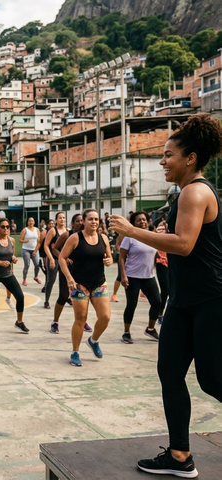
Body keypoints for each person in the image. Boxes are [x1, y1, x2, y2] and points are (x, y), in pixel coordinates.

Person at [110, 114, 222, 478]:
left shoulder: (196, 191)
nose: (162, 161)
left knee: (212, 379)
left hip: (210, 300)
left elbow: (185, 245)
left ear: (190, 158)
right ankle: (179, 455)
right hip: (184, 300)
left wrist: (132, 231)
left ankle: (179, 454)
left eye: (168, 155)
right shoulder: (186, 193)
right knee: (170, 372)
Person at [59, 209, 113, 367]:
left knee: (105, 317)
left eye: (96, 219)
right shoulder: (75, 238)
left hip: (98, 283)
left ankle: (93, 340)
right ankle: (75, 352)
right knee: (80, 319)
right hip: (79, 284)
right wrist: (69, 278)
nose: (94, 222)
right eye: (90, 219)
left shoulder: (103, 238)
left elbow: (108, 257)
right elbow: (62, 257)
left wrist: (109, 261)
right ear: (83, 221)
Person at [117, 211, 161, 344]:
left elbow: (155, 253)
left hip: (148, 276)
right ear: (134, 223)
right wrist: (123, 276)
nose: (142, 222)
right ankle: (126, 332)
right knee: (131, 305)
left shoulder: (153, 236)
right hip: (132, 277)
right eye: (138, 220)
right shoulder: (130, 237)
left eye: (144, 220)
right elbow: (121, 257)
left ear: (148, 221)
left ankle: (151, 329)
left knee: (157, 302)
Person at [50, 213, 88, 334]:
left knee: (83, 297)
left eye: (82, 220)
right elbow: (55, 248)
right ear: (72, 223)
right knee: (63, 296)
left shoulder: (88, 236)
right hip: (67, 270)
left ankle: (83, 321)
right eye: (77, 221)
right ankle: (55, 322)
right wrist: (64, 258)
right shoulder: (67, 235)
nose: (80, 223)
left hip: (82, 271)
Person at [43, 213, 65, 310]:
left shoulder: (68, 231)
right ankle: (46, 300)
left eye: (63, 218)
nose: (62, 219)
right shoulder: (53, 231)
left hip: (63, 259)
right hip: (54, 259)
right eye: (60, 218)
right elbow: (46, 245)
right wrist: (51, 259)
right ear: (56, 220)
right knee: (51, 280)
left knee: (65, 280)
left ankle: (65, 297)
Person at [154, 221, 170, 324]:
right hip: (162, 262)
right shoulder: (161, 232)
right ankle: (160, 314)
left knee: (170, 290)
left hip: (172, 263)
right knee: (165, 289)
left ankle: (164, 313)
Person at [19, 217, 41, 286]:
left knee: (37, 264)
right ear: (27, 222)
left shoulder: (37, 230)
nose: (31, 222)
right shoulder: (25, 230)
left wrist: (35, 250)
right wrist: (25, 241)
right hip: (26, 250)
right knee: (27, 265)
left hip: (34, 250)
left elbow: (39, 241)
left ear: (34, 222)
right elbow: (20, 240)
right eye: (29, 221)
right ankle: (24, 279)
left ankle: (36, 277)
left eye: (32, 221)